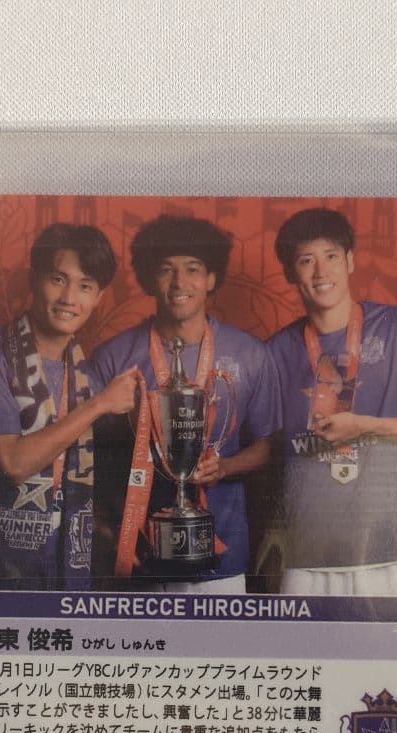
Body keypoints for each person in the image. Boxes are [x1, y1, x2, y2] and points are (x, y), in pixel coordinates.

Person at [90, 214, 281, 593]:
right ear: (149, 278)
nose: (179, 282)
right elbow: (87, 456)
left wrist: (224, 467)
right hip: (140, 559)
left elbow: (270, 446)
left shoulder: (250, 354)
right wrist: (106, 529)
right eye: (166, 270)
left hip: (224, 562)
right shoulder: (113, 357)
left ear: (211, 278)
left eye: (192, 269)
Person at [267, 208, 397, 598]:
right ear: (289, 273)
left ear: (350, 261)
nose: (321, 271)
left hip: (393, 548)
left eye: (331, 256)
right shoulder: (275, 351)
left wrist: (367, 426)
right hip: (307, 552)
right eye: (306, 260)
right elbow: (264, 445)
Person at [0, 222, 137, 591]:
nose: (69, 298)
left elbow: (72, 484)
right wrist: (99, 405)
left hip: (67, 574)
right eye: (58, 279)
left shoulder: (85, 375)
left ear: (99, 297)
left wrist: (112, 534)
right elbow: (14, 464)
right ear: (33, 279)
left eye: (85, 286)